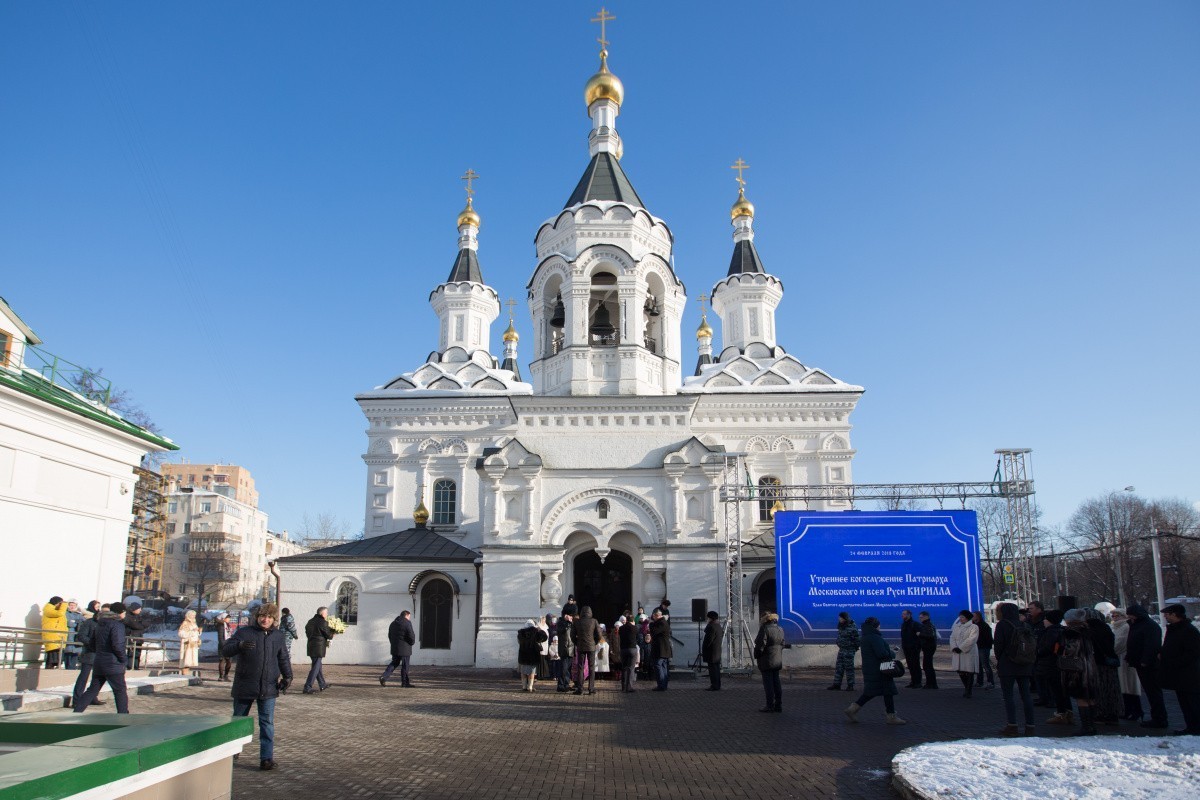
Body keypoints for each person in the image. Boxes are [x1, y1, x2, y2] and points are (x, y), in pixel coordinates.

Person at [221, 603, 292, 771]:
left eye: (269, 617)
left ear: (274, 619)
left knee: (267, 723)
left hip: (268, 686)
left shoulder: (278, 636)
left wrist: (288, 676)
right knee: (238, 720)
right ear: (257, 617)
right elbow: (226, 650)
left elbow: (283, 657)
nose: (265, 620)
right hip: (245, 684)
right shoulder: (245, 632)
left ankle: (266, 758)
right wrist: (239, 645)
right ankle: (233, 751)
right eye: (262, 616)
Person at [845, 617, 906, 725]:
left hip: (871, 669)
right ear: (875, 626)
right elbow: (881, 653)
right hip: (881, 670)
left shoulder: (865, 637)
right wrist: (892, 653)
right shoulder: (875, 637)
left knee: (873, 692)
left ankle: (853, 709)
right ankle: (891, 716)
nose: (880, 627)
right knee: (887, 691)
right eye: (879, 625)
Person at [74, 601, 130, 713]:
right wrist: (124, 659)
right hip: (113, 663)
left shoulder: (100, 624)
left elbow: (93, 642)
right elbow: (117, 644)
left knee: (92, 690)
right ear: (121, 612)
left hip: (99, 661)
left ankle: (77, 711)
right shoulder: (117, 625)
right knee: (120, 691)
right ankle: (123, 716)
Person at [993, 602, 1035, 736]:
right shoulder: (1025, 624)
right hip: (1025, 664)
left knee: (1009, 696)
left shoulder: (1002, 625)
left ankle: (1012, 725)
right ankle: (1030, 725)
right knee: (1026, 695)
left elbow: (998, 646)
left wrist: (1001, 659)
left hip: (1008, 664)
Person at [1159, 603, 1200, 735]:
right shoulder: (1174, 629)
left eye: (1167, 614)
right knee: (1184, 702)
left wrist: (1173, 661)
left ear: (1175, 615)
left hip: (1188, 673)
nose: (1165, 617)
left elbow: (1192, 653)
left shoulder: (1189, 631)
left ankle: (1196, 727)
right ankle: (1190, 726)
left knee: (1192, 702)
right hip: (1178, 673)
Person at [1125, 604, 1168, 729]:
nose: (1130, 617)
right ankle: (1157, 717)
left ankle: (1159, 718)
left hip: (1148, 664)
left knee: (1153, 691)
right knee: (1151, 692)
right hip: (1140, 662)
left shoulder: (1149, 626)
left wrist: (1145, 660)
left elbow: (1152, 645)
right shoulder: (1138, 625)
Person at [1060, 608, 1100, 735]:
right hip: (1090, 667)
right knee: (1090, 697)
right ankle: (1092, 725)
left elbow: (1070, 650)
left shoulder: (1071, 633)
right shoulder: (1089, 632)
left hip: (1077, 670)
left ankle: (1086, 726)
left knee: (1081, 697)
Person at [1085, 608, 1120, 724]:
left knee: (1100, 690)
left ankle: (1102, 713)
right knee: (1111, 689)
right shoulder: (1106, 628)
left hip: (1098, 663)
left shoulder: (1089, 631)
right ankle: (1113, 713)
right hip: (1109, 662)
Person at [71, 602, 107, 709]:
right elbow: (81, 636)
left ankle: (92, 697)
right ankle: (76, 700)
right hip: (90, 653)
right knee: (83, 677)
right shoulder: (89, 623)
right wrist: (92, 643)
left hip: (101, 655)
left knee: (97, 679)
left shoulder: (106, 624)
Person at [1110, 609, 1144, 720]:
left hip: (1124, 658)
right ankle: (1130, 709)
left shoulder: (1125, 627)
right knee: (1125, 685)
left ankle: (1134, 710)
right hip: (1121, 658)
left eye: (1117, 615)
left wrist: (1110, 651)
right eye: (1113, 615)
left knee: (1129, 685)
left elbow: (1119, 643)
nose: (1114, 617)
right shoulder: (1117, 627)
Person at [1041, 610, 1074, 725]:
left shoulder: (1051, 632)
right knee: (1063, 690)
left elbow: (1046, 648)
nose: (1044, 621)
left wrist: (1038, 652)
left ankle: (1061, 713)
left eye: (1046, 619)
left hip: (1052, 664)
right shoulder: (1062, 630)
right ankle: (1068, 712)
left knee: (1057, 690)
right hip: (1061, 664)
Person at [753, 611, 785, 712]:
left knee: (768, 684)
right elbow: (783, 644)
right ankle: (778, 704)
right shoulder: (780, 629)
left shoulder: (765, 629)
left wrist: (757, 655)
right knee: (776, 682)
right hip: (777, 659)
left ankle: (769, 705)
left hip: (766, 659)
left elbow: (760, 645)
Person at [303, 606, 335, 693]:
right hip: (319, 647)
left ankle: (322, 684)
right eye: (326, 613)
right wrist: (333, 632)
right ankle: (307, 686)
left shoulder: (310, 621)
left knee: (318, 666)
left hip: (311, 645)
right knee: (315, 667)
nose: (327, 614)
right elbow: (328, 635)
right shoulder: (323, 622)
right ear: (322, 613)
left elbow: (307, 632)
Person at [380, 610, 416, 687]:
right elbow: (411, 635)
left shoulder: (393, 623)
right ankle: (404, 683)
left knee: (394, 663)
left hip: (395, 647)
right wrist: (412, 642)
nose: (409, 618)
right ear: (406, 615)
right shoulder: (407, 623)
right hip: (405, 648)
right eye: (409, 617)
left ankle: (384, 676)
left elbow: (389, 635)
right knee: (405, 666)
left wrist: (393, 644)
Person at [949, 609, 979, 698]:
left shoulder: (974, 627)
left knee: (969, 671)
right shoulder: (957, 627)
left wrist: (961, 648)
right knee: (960, 670)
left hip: (968, 652)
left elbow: (972, 639)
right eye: (960, 617)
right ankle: (966, 687)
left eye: (962, 617)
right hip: (958, 652)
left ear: (967, 618)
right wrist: (954, 647)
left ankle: (968, 690)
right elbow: (952, 637)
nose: (961, 619)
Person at [572, 605, 601, 695]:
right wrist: (594, 642)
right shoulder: (594, 621)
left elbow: (572, 635)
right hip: (591, 646)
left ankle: (580, 688)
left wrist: (577, 642)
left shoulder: (577, 622)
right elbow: (599, 635)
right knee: (591, 667)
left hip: (581, 646)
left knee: (580, 667)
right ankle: (591, 688)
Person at [828, 612, 860, 691]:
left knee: (849, 668)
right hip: (842, 650)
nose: (839, 619)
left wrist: (854, 648)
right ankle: (837, 684)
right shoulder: (841, 626)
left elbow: (857, 639)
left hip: (849, 650)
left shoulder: (852, 626)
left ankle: (850, 685)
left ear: (845, 618)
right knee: (839, 668)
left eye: (841, 618)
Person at [517, 618, 548, 692]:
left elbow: (519, 642)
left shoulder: (521, 633)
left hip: (523, 654)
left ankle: (524, 686)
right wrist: (540, 629)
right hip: (533, 655)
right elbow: (544, 638)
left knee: (523, 671)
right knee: (532, 672)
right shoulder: (536, 632)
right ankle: (530, 687)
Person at [649, 609, 673, 691]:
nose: (653, 618)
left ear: (656, 615)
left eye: (653, 616)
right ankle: (663, 685)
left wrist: (651, 624)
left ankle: (661, 685)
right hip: (663, 649)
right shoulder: (662, 622)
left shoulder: (661, 623)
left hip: (661, 649)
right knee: (663, 667)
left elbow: (654, 632)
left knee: (659, 666)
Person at [41, 596, 68, 669]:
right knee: (51, 658)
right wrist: (64, 605)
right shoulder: (48, 609)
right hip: (52, 636)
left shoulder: (58, 610)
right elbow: (59, 614)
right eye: (60, 603)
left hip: (59, 637)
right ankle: (48, 670)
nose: (62, 605)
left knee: (57, 659)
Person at [972, 611, 995, 689]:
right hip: (979, 647)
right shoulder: (975, 625)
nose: (972, 617)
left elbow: (987, 638)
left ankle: (990, 682)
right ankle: (979, 681)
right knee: (979, 665)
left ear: (978, 616)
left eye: (974, 616)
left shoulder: (983, 626)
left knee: (985, 665)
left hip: (983, 647)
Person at [916, 611, 939, 688]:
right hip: (927, 647)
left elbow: (931, 635)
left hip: (929, 647)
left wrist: (920, 634)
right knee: (927, 665)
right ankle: (930, 683)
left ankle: (931, 683)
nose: (920, 619)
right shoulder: (925, 625)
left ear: (926, 617)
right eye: (919, 617)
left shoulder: (928, 625)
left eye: (921, 617)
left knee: (927, 666)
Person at [702, 610, 723, 691]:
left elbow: (708, 640)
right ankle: (717, 684)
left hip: (711, 651)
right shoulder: (718, 626)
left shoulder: (711, 626)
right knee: (716, 669)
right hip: (717, 651)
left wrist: (704, 648)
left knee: (713, 670)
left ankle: (714, 685)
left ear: (710, 618)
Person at [900, 609, 922, 688]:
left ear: (909, 615)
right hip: (906, 648)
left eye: (904, 614)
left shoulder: (915, 624)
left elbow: (921, 636)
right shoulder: (903, 625)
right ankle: (913, 681)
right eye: (902, 614)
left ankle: (918, 682)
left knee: (915, 665)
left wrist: (917, 646)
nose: (902, 615)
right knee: (910, 665)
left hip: (914, 648)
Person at [618, 613, 640, 692]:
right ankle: (629, 687)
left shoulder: (621, 628)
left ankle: (623, 687)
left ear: (626, 620)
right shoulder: (635, 628)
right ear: (633, 620)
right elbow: (638, 636)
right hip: (632, 649)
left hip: (623, 649)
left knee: (624, 668)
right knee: (631, 668)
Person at [123, 603, 148, 670]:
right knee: (131, 653)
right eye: (138, 608)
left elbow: (147, 623)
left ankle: (136, 666)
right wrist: (140, 625)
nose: (140, 610)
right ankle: (130, 667)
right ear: (134, 609)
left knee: (137, 653)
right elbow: (135, 625)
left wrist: (140, 624)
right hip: (132, 637)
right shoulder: (128, 617)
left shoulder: (139, 616)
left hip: (139, 637)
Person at [556, 610, 575, 692]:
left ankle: (566, 684)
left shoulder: (572, 624)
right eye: (569, 615)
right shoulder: (561, 623)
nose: (571, 617)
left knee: (568, 668)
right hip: (564, 648)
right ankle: (561, 685)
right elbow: (561, 631)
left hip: (571, 648)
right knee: (564, 668)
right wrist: (567, 623)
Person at [177, 609, 201, 676]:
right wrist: (192, 632)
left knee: (189, 662)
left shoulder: (194, 623)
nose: (193, 617)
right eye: (192, 615)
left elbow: (195, 633)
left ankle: (186, 675)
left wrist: (198, 632)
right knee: (186, 661)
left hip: (193, 644)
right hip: (187, 644)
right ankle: (185, 675)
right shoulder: (185, 623)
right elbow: (181, 633)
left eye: (194, 615)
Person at [64, 600, 83, 669]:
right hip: (68, 635)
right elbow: (69, 624)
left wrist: (75, 622)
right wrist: (77, 622)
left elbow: (83, 623)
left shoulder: (79, 614)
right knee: (67, 652)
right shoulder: (65, 613)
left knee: (75, 653)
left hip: (76, 636)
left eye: (74, 605)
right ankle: (67, 667)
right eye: (71, 605)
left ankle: (72, 668)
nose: (72, 607)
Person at [215, 612, 234, 681]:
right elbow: (220, 637)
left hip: (229, 644)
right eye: (228, 618)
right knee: (222, 660)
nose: (229, 619)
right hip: (223, 645)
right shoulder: (221, 626)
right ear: (223, 618)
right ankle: (221, 676)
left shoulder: (227, 625)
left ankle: (226, 675)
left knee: (229, 661)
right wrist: (224, 645)